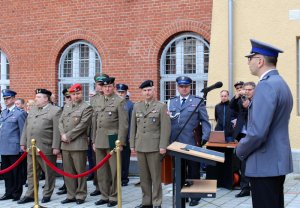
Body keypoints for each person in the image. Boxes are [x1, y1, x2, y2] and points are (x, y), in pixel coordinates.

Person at [236, 39, 293, 208]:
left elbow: (257, 133)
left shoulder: (265, 86)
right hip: (275, 162)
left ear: (260, 61)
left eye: (250, 58)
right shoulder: (281, 84)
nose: (248, 62)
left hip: (264, 163)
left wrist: (240, 149)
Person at [168, 76, 211, 207]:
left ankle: (195, 196)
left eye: (186, 86)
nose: (184, 88)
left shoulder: (197, 101)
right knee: (179, 171)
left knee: (193, 170)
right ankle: (182, 194)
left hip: (192, 142)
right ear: (178, 87)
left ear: (190, 87)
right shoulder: (172, 102)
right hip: (176, 142)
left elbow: (205, 121)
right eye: (181, 86)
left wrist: (205, 136)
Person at [130, 80, 170, 208]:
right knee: (144, 177)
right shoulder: (137, 106)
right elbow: (133, 127)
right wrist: (132, 144)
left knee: (156, 177)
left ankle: (157, 202)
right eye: (145, 90)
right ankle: (146, 202)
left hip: (154, 147)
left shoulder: (161, 106)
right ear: (142, 92)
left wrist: (163, 145)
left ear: (153, 90)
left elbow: (165, 128)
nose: (147, 92)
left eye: (149, 90)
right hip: (140, 145)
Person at [18, 89, 62, 204]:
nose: (35, 99)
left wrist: (56, 146)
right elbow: (26, 127)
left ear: (46, 99)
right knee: (31, 172)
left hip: (46, 147)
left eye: (38, 97)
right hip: (31, 148)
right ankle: (30, 194)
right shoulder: (32, 110)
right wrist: (23, 142)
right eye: (36, 96)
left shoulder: (55, 111)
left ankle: (47, 194)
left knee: (48, 172)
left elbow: (57, 130)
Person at [92, 77, 128, 207]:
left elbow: (123, 124)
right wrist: (93, 140)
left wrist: (121, 142)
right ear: (101, 87)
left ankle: (114, 196)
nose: (107, 88)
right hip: (99, 138)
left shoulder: (119, 101)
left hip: (113, 138)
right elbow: (95, 122)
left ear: (113, 87)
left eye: (109, 86)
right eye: (104, 86)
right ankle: (104, 195)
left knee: (114, 170)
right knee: (101, 170)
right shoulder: (98, 100)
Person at [58, 83, 93, 205]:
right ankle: (70, 194)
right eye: (73, 94)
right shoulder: (67, 106)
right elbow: (60, 122)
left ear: (81, 93)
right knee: (68, 171)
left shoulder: (86, 107)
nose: (76, 96)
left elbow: (83, 125)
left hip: (78, 143)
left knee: (80, 171)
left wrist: (68, 135)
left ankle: (81, 194)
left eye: (78, 93)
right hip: (65, 144)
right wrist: (62, 134)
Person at [0, 89, 27, 201]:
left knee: (16, 173)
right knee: (7, 173)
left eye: (8, 98)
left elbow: (23, 131)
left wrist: (22, 145)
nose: (6, 101)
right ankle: (8, 192)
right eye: (5, 99)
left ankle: (16, 193)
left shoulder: (19, 113)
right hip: (4, 147)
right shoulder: (3, 113)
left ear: (13, 99)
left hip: (15, 148)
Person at [230, 82, 256, 197]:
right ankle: (245, 188)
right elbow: (232, 107)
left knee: (252, 162)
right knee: (242, 162)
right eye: (245, 89)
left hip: (254, 135)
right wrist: (236, 97)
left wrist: (249, 106)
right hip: (242, 134)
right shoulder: (241, 100)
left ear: (254, 90)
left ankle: (253, 187)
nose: (246, 91)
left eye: (249, 89)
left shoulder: (258, 100)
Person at [88, 73, 109, 197]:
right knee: (96, 162)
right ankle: (99, 186)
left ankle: (111, 188)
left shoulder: (113, 98)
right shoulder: (94, 99)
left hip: (111, 136)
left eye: (102, 84)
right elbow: (91, 118)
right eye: (98, 84)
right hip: (96, 134)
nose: (100, 87)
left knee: (111, 163)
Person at [115, 83, 134, 187]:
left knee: (124, 159)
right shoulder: (113, 103)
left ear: (126, 93)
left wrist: (130, 137)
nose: (120, 94)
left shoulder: (130, 105)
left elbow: (131, 122)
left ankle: (124, 178)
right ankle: (115, 177)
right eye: (119, 92)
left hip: (125, 136)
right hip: (113, 136)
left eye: (122, 92)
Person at [56, 88, 72, 196]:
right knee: (66, 165)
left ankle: (74, 187)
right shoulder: (61, 109)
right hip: (63, 141)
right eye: (67, 97)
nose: (69, 99)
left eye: (70, 97)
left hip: (74, 140)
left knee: (74, 166)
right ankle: (66, 185)